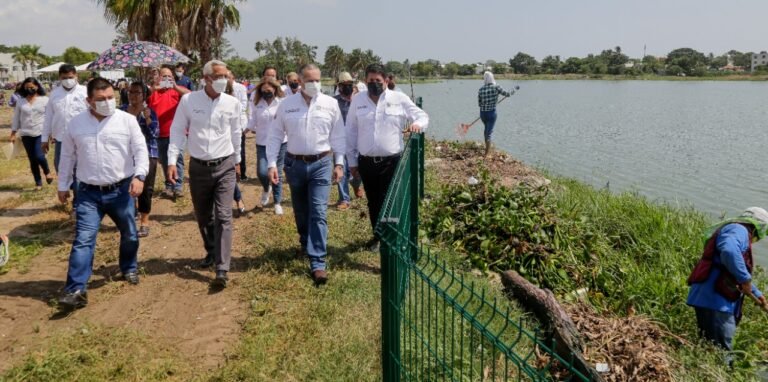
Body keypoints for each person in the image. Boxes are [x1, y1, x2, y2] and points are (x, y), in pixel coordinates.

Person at [56, 78, 149, 310]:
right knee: (83, 240)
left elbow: (140, 149)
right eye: (101, 99)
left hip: (122, 190)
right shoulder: (76, 125)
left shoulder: (126, 121)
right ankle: (76, 289)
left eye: (110, 97)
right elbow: (67, 156)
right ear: (89, 101)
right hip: (88, 193)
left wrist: (139, 176)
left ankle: (128, 267)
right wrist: (63, 184)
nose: (107, 102)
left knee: (129, 234)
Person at [267, 64, 345, 285]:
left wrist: (339, 163)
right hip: (295, 164)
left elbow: (339, 135)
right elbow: (275, 135)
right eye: (310, 80)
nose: (315, 84)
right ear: (299, 81)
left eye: (318, 80)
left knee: (319, 212)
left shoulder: (330, 104)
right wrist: (272, 163)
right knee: (301, 211)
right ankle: (304, 242)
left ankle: (318, 262)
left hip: (321, 163)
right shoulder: (286, 105)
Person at [167, 60, 242, 288]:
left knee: (224, 215)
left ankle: (222, 268)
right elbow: (178, 130)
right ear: (206, 78)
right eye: (219, 76)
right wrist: (172, 161)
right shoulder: (189, 101)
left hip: (225, 165)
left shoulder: (232, 103)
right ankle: (211, 251)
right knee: (203, 216)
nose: (224, 80)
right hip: (198, 167)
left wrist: (237, 160)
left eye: (226, 76)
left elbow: (236, 132)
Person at [347, 64, 429, 252]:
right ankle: (378, 236)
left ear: (386, 81)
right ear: (365, 81)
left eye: (378, 81)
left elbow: (422, 116)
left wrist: (416, 124)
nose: (374, 84)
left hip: (392, 162)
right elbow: (350, 130)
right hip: (366, 162)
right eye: (370, 81)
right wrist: (351, 161)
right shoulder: (358, 100)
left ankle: (393, 237)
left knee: (391, 201)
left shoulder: (398, 98)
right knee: (373, 201)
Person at [687, 207, 768, 366]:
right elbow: (729, 251)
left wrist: (758, 294)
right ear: (758, 227)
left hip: (708, 298)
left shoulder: (735, 230)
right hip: (716, 302)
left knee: (708, 348)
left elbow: (733, 269)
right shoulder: (739, 230)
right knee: (724, 352)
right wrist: (745, 279)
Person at [121, 82, 159, 238]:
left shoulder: (149, 112)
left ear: (144, 95)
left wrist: (148, 119)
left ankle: (144, 222)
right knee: (127, 187)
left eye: (137, 92)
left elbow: (154, 134)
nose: (133, 95)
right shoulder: (121, 111)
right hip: (126, 155)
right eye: (131, 92)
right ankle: (131, 214)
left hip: (148, 153)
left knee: (146, 189)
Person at [148, 66, 190, 199]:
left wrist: (175, 86)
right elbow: (143, 97)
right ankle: (168, 185)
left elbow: (189, 94)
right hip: (159, 134)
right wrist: (154, 87)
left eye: (169, 76)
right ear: (159, 77)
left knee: (178, 160)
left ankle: (177, 186)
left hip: (176, 133)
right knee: (165, 161)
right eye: (163, 76)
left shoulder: (176, 91)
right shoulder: (153, 92)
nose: (166, 79)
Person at [247, 78, 286, 215]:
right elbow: (253, 120)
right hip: (262, 143)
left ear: (275, 89)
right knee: (262, 172)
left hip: (280, 143)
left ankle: (277, 202)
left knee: (277, 172)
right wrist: (244, 129)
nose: (266, 93)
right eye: (263, 91)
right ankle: (266, 188)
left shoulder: (282, 103)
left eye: (269, 91)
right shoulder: (257, 103)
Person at [10, 78, 52, 190]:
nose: (30, 89)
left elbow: (49, 118)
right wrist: (13, 133)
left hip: (40, 133)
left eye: (32, 87)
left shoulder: (45, 100)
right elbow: (16, 118)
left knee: (39, 156)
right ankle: (38, 182)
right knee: (32, 159)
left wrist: (51, 134)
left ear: (37, 86)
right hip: (26, 134)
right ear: (24, 88)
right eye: (27, 87)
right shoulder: (21, 101)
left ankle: (47, 171)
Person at [333, 72, 364, 210]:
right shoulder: (334, 102)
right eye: (344, 85)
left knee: (357, 169)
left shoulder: (360, 100)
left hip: (359, 141)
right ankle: (344, 199)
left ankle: (357, 184)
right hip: (341, 141)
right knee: (341, 168)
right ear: (339, 86)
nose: (347, 87)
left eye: (350, 85)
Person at [477, 71, 515, 157]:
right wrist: (514, 90)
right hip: (491, 113)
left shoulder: (481, 89)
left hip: (482, 113)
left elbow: (479, 103)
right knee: (488, 133)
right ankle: (487, 154)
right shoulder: (496, 87)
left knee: (486, 131)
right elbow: (508, 94)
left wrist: (487, 103)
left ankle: (487, 148)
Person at [229, 70, 250, 181]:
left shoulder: (241, 88)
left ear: (233, 77)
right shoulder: (221, 88)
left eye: (229, 76)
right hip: (226, 122)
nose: (227, 79)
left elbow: (244, 104)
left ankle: (242, 173)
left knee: (240, 148)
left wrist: (233, 111)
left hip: (239, 121)